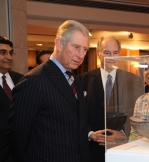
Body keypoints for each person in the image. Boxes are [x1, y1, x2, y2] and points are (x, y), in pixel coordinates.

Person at [8, 20, 91, 162]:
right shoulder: (33, 81)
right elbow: (18, 136)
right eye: (76, 47)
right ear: (59, 44)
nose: (81, 55)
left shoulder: (76, 80)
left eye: (85, 49)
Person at [80, 36, 143, 162]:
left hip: (123, 148)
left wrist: (124, 135)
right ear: (98, 54)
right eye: (107, 53)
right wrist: (90, 134)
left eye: (115, 53)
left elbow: (138, 115)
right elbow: (77, 114)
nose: (112, 57)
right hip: (92, 150)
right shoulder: (83, 80)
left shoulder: (133, 80)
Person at [0, 36, 23, 162]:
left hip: (22, 152)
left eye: (10, 53)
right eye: (3, 53)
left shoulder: (22, 79)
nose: (9, 57)